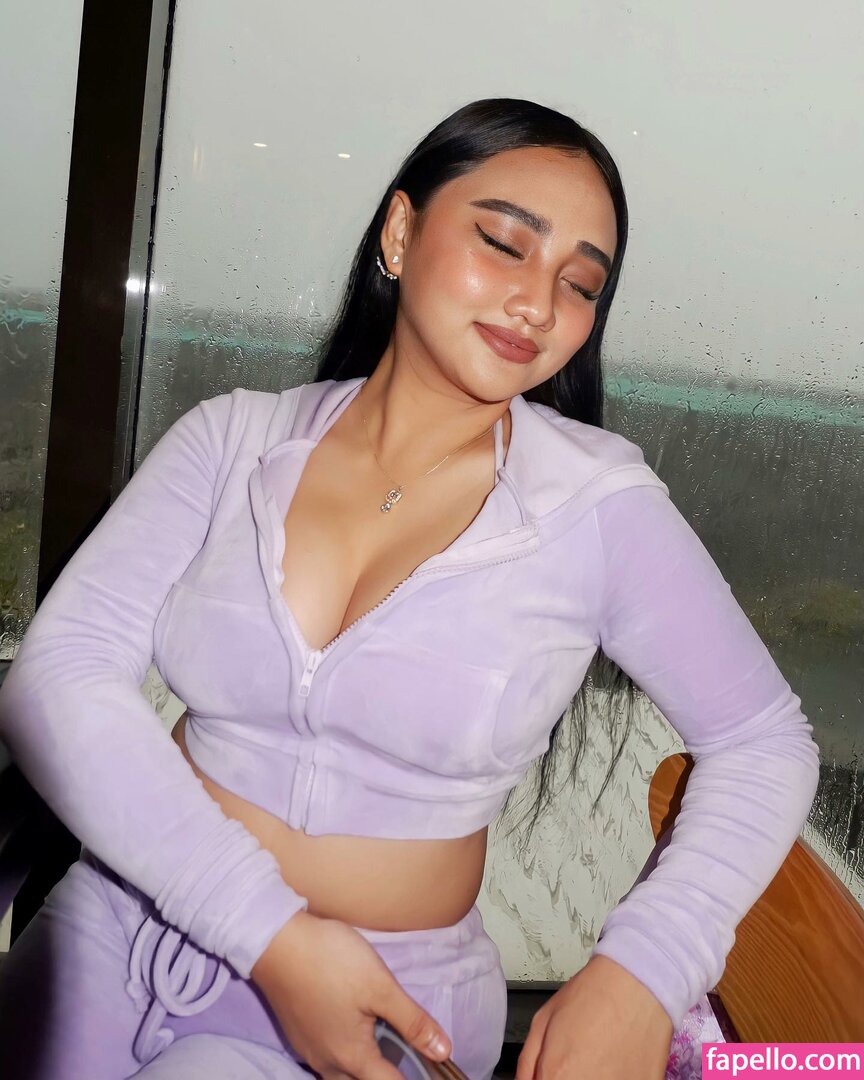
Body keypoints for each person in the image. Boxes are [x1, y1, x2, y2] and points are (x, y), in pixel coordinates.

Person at [0, 98, 820, 1080]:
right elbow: (60, 675)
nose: (537, 302)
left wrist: (645, 970)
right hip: (115, 930)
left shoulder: (597, 508)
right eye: (504, 244)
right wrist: (269, 935)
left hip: (382, 1003)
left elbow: (763, 744)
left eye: (579, 284)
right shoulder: (232, 441)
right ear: (400, 231)